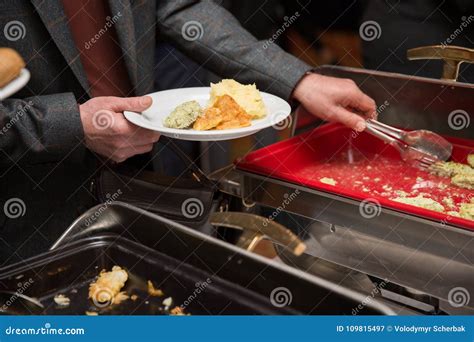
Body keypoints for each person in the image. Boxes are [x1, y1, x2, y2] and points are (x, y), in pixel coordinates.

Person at [0, 0, 375, 264]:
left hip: (134, 179)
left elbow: (178, 6)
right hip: (26, 212)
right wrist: (70, 125)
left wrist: (297, 80)